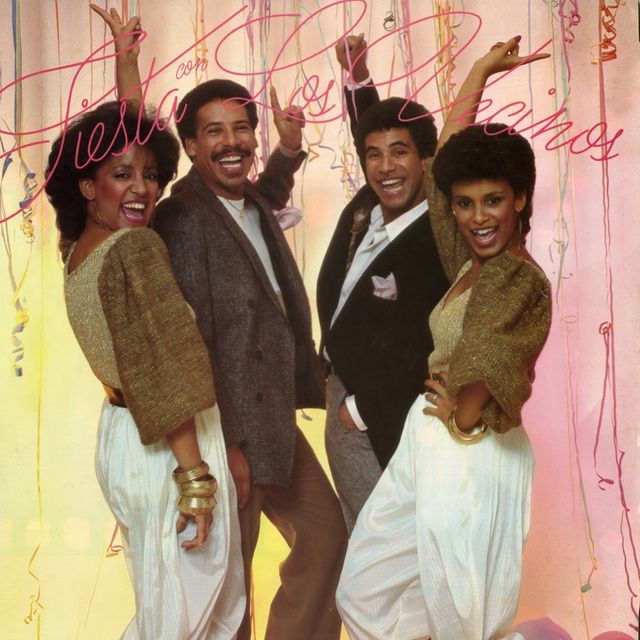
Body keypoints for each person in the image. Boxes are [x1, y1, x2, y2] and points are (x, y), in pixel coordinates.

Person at [118, 23, 346, 640]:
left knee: (327, 536)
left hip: (273, 419)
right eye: (214, 131)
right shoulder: (182, 218)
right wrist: (228, 447)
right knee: (228, 585)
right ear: (191, 146)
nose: (232, 141)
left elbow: (263, 196)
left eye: (241, 128)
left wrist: (289, 150)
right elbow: (191, 343)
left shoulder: (247, 200)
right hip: (227, 430)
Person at [336, 36, 552, 640]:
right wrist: (478, 72)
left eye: (494, 201)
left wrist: (462, 417)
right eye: (465, 204)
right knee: (365, 592)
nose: (478, 217)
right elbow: (446, 164)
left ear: (520, 199)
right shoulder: (470, 261)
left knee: (461, 616)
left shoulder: (513, 273)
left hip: (469, 446)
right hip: (430, 438)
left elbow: (488, 350)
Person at [317, 37, 448, 533]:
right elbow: (372, 129)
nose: (386, 166)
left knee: (386, 548)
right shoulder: (367, 205)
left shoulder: (437, 233)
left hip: (380, 417)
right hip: (340, 394)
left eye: (400, 153)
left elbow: (428, 343)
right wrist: (357, 76)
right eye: (374, 156)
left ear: (427, 159)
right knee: (362, 540)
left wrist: (360, 411)